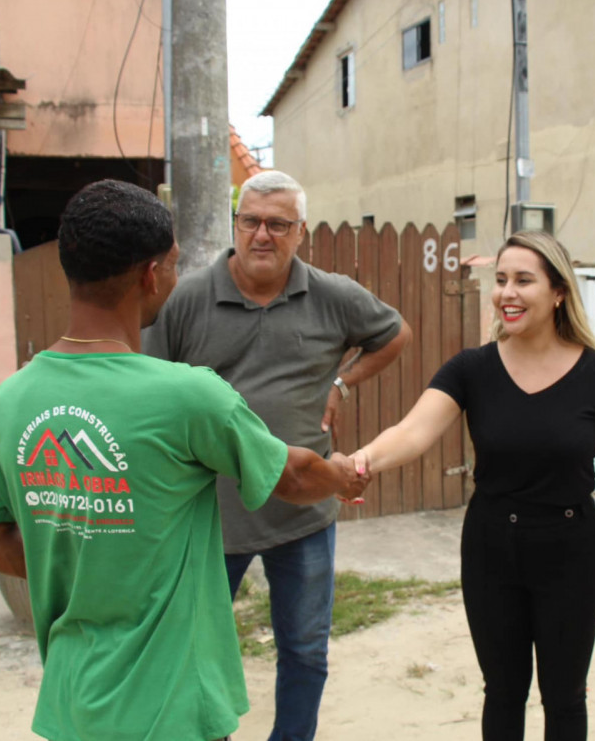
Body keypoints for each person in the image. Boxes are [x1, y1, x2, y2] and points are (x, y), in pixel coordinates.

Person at [0, 179, 369, 741]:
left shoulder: (10, 399)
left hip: (72, 706)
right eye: (173, 265)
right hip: (174, 707)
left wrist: (89, 565)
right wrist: (341, 477)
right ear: (152, 275)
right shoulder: (187, 396)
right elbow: (292, 477)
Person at [143, 169, 411, 741]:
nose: (262, 235)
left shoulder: (332, 295)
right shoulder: (188, 297)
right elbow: (150, 390)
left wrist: (343, 384)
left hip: (303, 512)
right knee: (191, 654)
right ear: (237, 224)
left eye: (278, 224)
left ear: (300, 232)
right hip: (208, 518)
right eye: (251, 221)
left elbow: (394, 334)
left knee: (306, 653)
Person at [348, 231, 595, 741]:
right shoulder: (472, 369)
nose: (507, 292)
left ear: (558, 293)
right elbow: (413, 432)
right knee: (503, 692)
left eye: (523, 280)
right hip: (491, 547)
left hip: (570, 550)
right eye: (501, 279)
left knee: (566, 695)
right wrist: (361, 462)